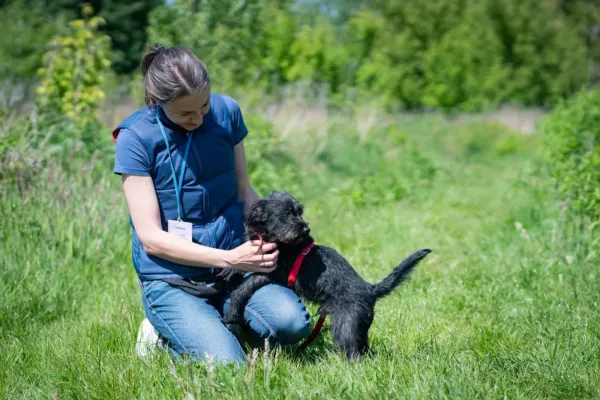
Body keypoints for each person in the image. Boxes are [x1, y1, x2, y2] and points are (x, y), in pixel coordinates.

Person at [112, 43, 311, 364]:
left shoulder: (227, 113)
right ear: (158, 101)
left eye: (203, 106)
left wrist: (276, 238)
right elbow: (150, 238)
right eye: (185, 112)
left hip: (235, 269)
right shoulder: (135, 137)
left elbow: (244, 190)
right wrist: (230, 258)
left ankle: (225, 323)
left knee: (290, 324)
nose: (199, 118)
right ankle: (163, 332)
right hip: (173, 279)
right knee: (228, 366)